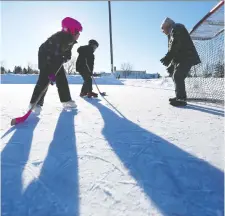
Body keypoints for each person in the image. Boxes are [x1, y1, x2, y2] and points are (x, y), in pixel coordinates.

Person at [29, 17, 83, 113]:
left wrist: (67, 56)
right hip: (45, 55)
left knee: (61, 77)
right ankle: (35, 103)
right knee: (45, 78)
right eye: (78, 32)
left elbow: (67, 52)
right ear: (71, 30)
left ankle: (66, 100)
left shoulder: (70, 40)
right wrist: (51, 72)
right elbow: (51, 56)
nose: (79, 34)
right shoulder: (58, 38)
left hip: (56, 58)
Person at [160, 17, 201, 106]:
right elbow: (175, 50)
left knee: (178, 75)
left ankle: (181, 100)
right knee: (175, 75)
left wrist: (168, 57)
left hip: (187, 56)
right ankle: (179, 96)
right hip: (181, 58)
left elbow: (176, 44)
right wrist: (171, 64)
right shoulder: (171, 34)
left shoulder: (177, 27)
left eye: (163, 29)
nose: (163, 32)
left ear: (167, 25)